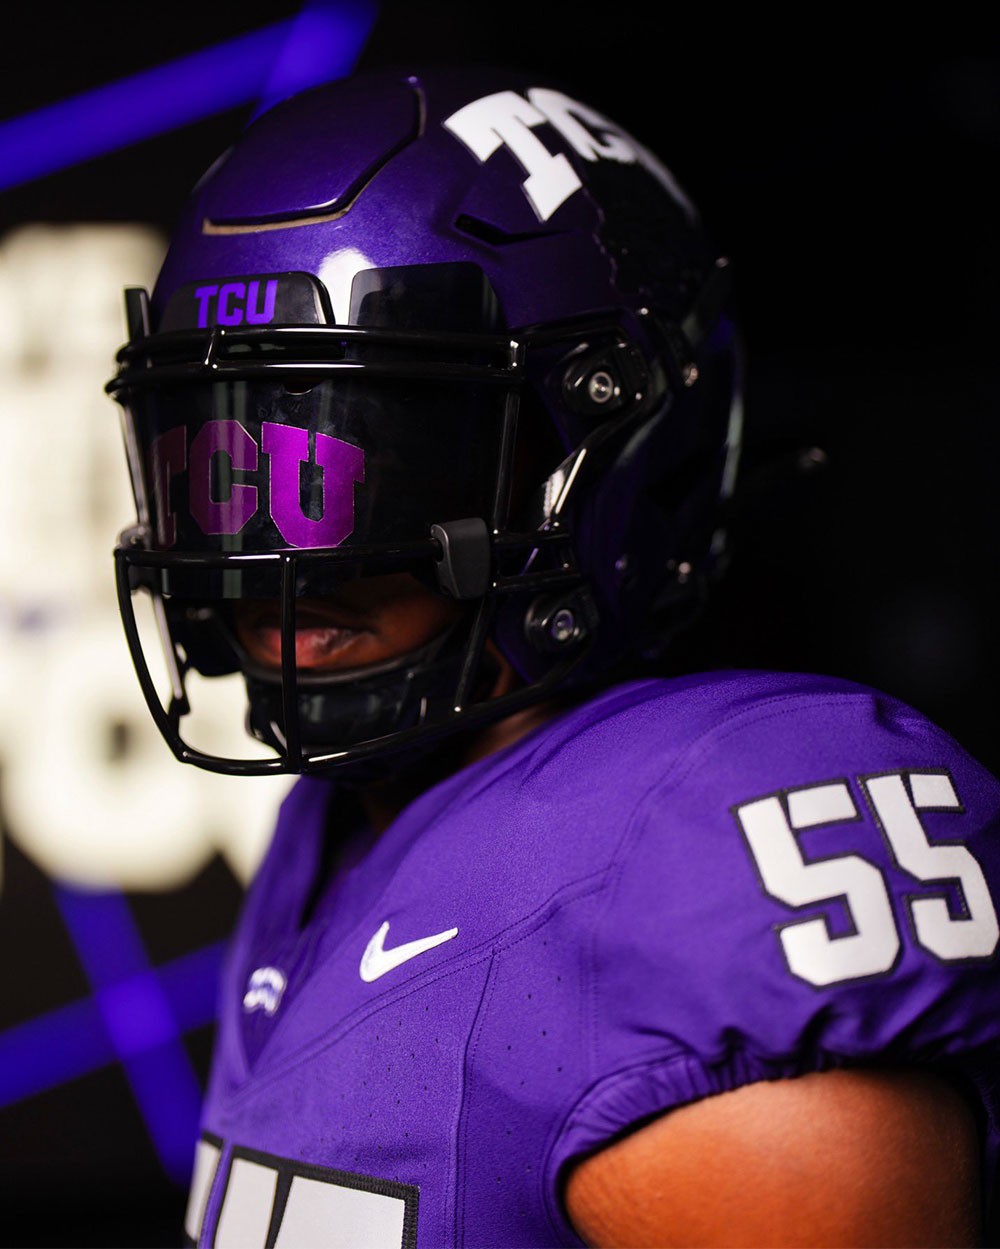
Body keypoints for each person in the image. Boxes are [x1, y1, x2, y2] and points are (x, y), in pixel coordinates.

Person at [107, 66, 1000, 1248]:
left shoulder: (698, 849)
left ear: (614, 456)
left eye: (363, 474)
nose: (277, 564)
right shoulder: (335, 820)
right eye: (227, 477)